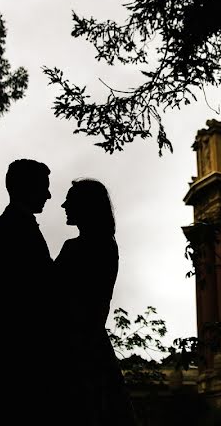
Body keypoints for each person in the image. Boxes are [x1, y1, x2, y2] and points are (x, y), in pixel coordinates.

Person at [56, 178, 136, 425]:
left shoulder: (76, 249)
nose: (63, 205)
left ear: (85, 206)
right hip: (93, 348)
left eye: (70, 200)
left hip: (73, 349)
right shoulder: (108, 246)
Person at [0, 159, 56, 420]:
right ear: (29, 187)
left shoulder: (13, 222)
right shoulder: (17, 225)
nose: (49, 194)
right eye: (44, 187)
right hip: (19, 353)